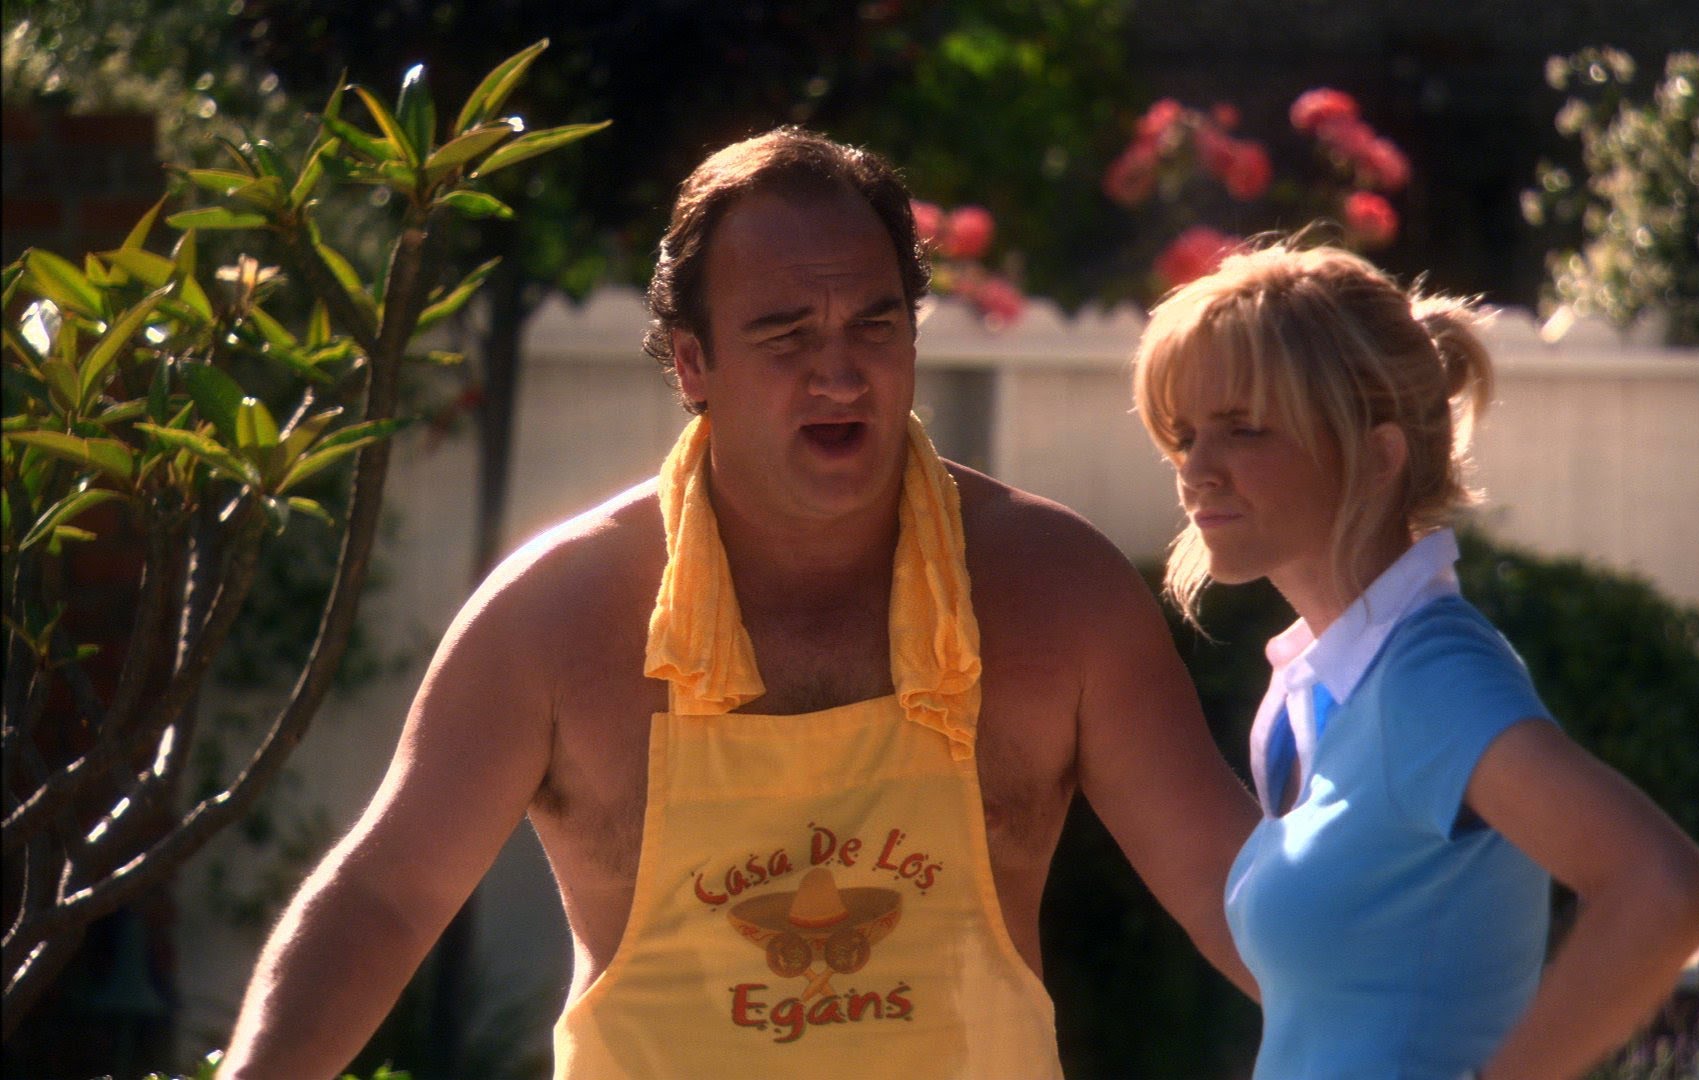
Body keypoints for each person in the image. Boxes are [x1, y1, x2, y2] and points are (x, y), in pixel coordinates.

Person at [218, 128, 1258, 1079]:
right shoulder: (554, 618)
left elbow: (1237, 895)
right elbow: (387, 898)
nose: (840, 372)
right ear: (692, 363)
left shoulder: (1060, 592)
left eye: (874, 324)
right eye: (786, 334)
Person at [1130, 240, 1699, 1080]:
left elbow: (1667, 891)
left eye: (1243, 430)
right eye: (1185, 435)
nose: (1195, 470)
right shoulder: (1320, 684)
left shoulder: (1431, 676)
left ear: (1378, 456)